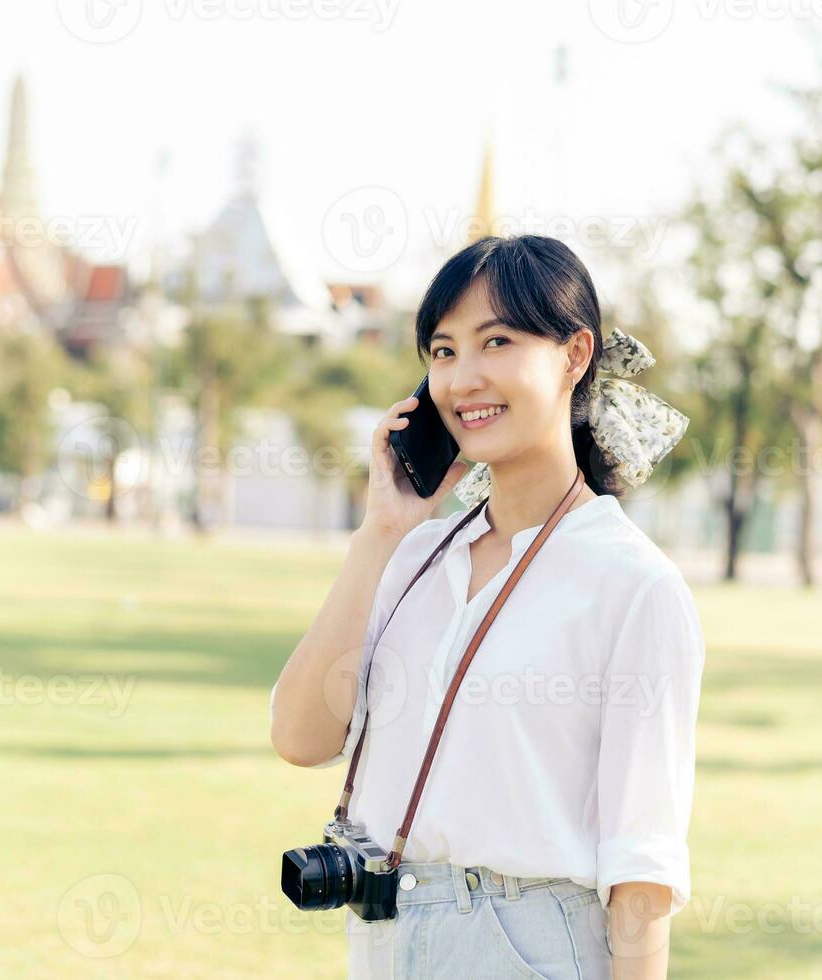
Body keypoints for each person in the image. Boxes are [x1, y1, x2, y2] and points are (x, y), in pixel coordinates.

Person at [270, 235, 704, 979]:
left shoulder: (634, 585)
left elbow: (642, 869)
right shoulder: (412, 558)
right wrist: (379, 533)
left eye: (496, 342)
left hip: (530, 945)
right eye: (442, 352)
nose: (463, 379)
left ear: (574, 355)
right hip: (388, 939)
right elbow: (300, 736)